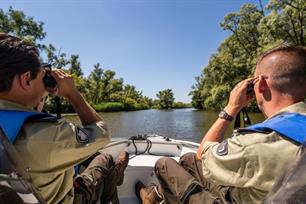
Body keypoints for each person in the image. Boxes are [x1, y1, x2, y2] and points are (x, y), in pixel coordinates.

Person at [136, 44, 306, 204]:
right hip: (252, 194)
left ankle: (152, 198)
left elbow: (203, 154)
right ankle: (154, 195)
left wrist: (231, 107)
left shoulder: (257, 141)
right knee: (188, 159)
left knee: (164, 164)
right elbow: (197, 159)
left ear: (260, 84)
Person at [0, 33, 129, 204]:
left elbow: (23, 115)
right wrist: (72, 94)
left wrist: (36, 94)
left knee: (91, 153)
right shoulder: (50, 134)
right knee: (104, 159)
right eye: (41, 76)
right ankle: (113, 181)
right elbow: (103, 132)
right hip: (67, 198)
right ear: (25, 79)